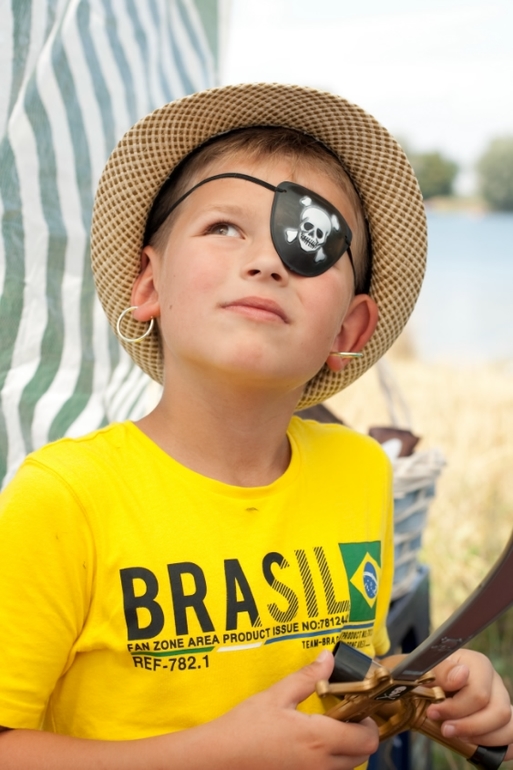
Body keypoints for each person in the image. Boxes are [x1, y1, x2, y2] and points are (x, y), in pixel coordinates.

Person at [0, 83, 511, 770]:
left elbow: (338, 674)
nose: (268, 261)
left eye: (311, 242)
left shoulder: (359, 470)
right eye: (223, 227)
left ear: (348, 329)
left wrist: (425, 694)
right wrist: (212, 754)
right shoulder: (64, 499)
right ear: (147, 284)